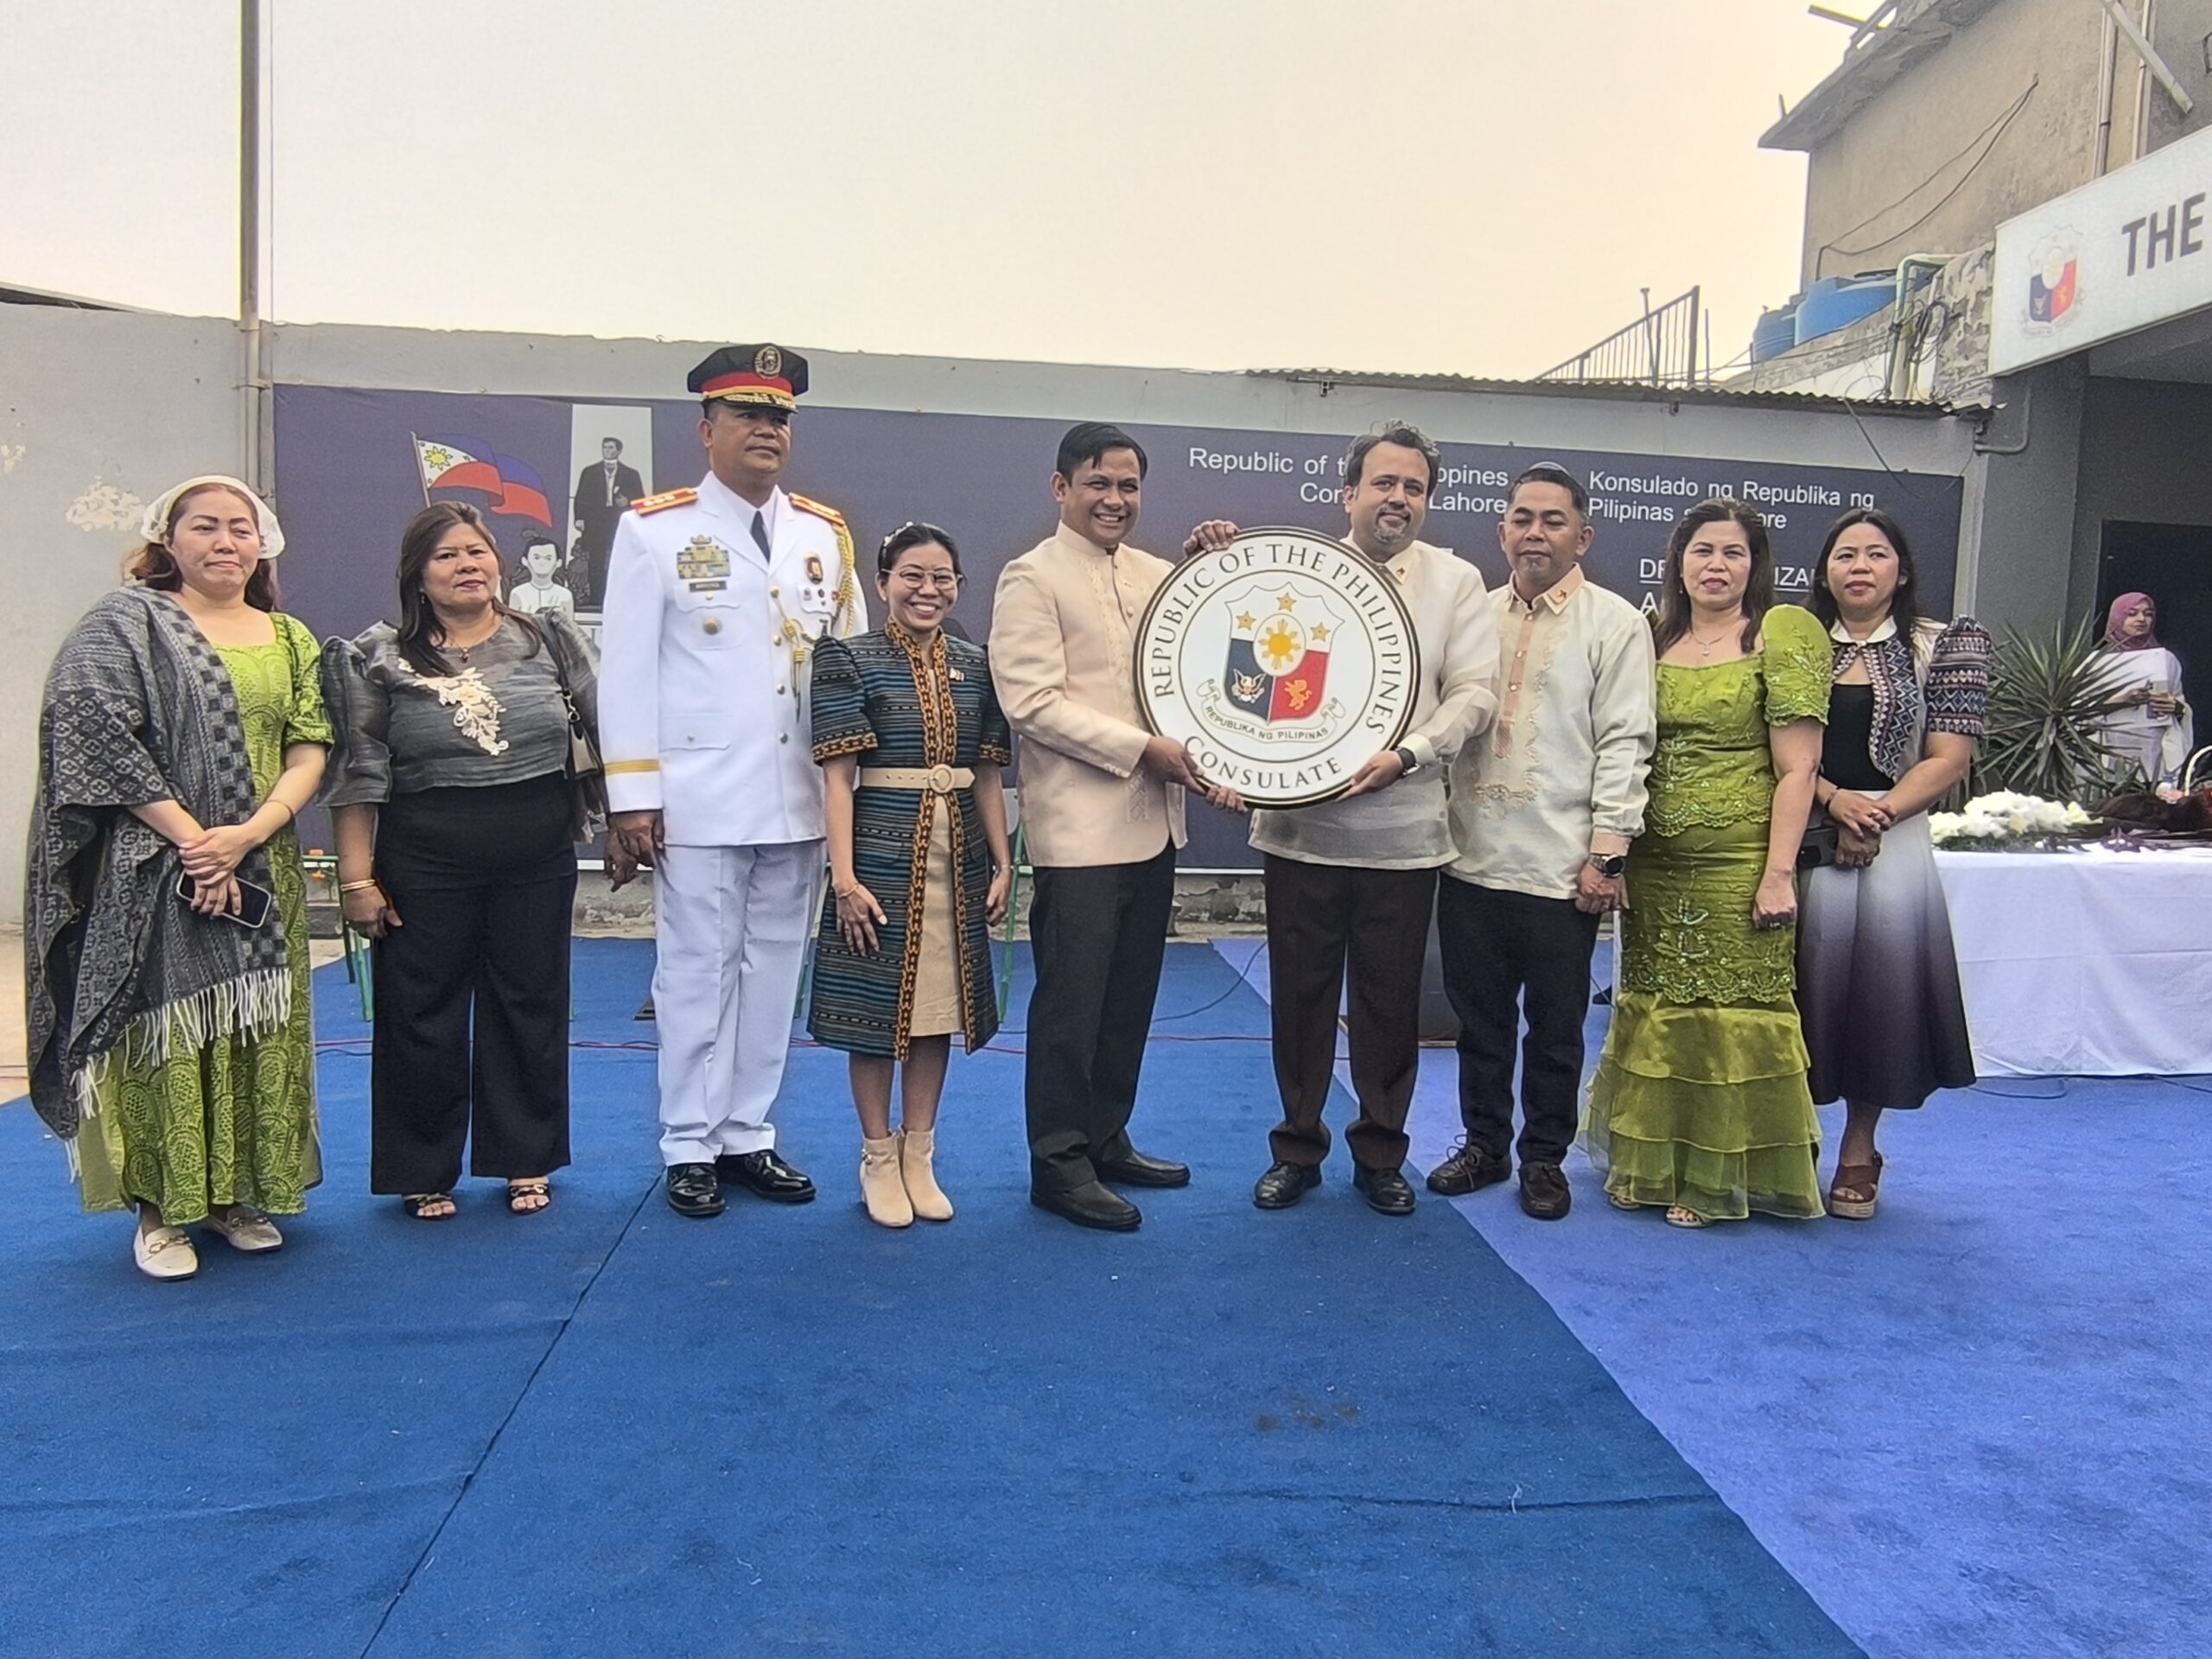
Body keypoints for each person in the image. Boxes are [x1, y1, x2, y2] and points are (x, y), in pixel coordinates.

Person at [1185, 421, 1500, 1217]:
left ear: (1427, 502)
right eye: (1384, 482)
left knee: (1389, 1008)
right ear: (1348, 493)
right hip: (1301, 837)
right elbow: (1216, 651)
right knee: (1301, 1003)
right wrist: (1211, 564)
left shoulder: (1457, 582)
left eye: (1414, 488)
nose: (1398, 498)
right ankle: (1296, 1149)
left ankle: (1381, 1154)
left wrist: (1411, 754)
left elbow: (1475, 694)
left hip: (1404, 837)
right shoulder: (1293, 572)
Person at [25, 476, 330, 1281]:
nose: (225, 542)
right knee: (164, 1035)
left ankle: (234, 1195)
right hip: (158, 870)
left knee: (254, 1030)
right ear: (168, 538)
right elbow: (93, 739)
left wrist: (250, 834)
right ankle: (160, 1214)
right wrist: (198, 844)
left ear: (262, 543)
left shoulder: (290, 636)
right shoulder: (124, 625)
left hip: (264, 870)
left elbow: (310, 746)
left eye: (240, 528)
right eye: (205, 527)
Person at [600, 344, 866, 1219]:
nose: (766, 430)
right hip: (700, 793)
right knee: (695, 971)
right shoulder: (655, 529)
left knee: (774, 969)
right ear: (705, 429)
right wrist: (634, 797)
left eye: (779, 417)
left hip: (799, 792)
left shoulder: (822, 534)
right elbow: (626, 671)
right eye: (747, 414)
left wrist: (851, 785)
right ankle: (688, 1140)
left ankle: (747, 1131)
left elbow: (849, 667)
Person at [323, 503, 601, 1220]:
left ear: (498, 563)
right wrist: (356, 880)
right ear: (417, 576)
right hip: (424, 855)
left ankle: (526, 1158)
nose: (466, 565)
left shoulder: (548, 637)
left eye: (477, 551)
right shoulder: (375, 655)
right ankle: (423, 1168)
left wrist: (632, 820)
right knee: (421, 1012)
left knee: (530, 1003)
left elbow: (609, 726)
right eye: (446, 556)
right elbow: (356, 772)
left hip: (536, 852)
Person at [991, 421, 1230, 1232]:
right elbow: (1032, 703)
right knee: (1072, 1007)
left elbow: (1202, 659)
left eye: (1129, 486)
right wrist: (1143, 751)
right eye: (1098, 483)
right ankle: (1058, 1163)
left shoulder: (1159, 575)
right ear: (1061, 488)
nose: (1115, 499)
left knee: (1128, 1001)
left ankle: (1105, 1138)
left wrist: (1213, 563)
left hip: (1155, 827)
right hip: (1080, 834)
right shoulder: (1032, 577)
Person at [1579, 499, 1828, 1229]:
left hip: (1741, 863)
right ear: (1678, 562)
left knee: (1732, 1019)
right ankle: (1650, 1165)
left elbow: (1800, 767)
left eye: (1733, 552)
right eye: (1702, 551)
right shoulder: (1648, 635)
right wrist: (1616, 856)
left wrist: (1778, 873)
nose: (1716, 566)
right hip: (1654, 863)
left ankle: (1719, 1182)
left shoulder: (1782, 633)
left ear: (1756, 566)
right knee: (1659, 1012)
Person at [1429, 463, 1656, 1220]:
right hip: (1470, 859)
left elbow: (1625, 741)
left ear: (1582, 537)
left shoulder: (1614, 623)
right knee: (1479, 1026)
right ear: (1501, 533)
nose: (1536, 533)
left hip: (1563, 870)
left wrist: (1607, 855)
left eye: (1553, 521)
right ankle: (1485, 1146)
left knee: (1556, 1032)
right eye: (1522, 519)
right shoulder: (1473, 618)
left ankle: (1544, 1160)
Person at [807, 524, 1014, 1227]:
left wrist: (1003, 861)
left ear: (958, 586)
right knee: (874, 1015)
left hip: (959, 856)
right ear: (883, 582)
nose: (929, 590)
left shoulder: (977, 663)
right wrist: (844, 879)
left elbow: (988, 773)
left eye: (943, 578)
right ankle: (876, 1155)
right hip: (878, 854)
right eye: (913, 576)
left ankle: (919, 1153)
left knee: (937, 1011)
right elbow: (838, 779)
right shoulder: (847, 657)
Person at [1797, 509, 1989, 1219]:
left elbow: (1949, 758)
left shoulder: (1944, 644)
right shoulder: (1794, 643)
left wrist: (1875, 817)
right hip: (1804, 826)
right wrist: (1833, 802)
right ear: (1824, 573)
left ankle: (1859, 1147)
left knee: (1878, 996)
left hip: (1896, 836)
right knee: (1795, 992)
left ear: (1901, 572)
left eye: (1876, 554)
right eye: (1844, 555)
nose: (1859, 567)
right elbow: (1771, 746)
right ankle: (1792, 1139)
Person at [2096, 592, 2192, 785]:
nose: (2142, 619)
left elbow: (2180, 704)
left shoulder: (2167, 660)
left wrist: (2177, 708)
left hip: (2154, 752)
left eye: (2148, 614)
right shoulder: (2097, 663)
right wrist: (2122, 700)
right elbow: (2079, 713)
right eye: (2132, 613)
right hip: (2111, 751)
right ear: (2117, 617)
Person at [570, 436, 645, 609]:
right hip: (596, 522)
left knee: (619, 558)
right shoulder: (590, 472)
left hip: (619, 522)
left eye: (611, 448)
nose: (607, 451)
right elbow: (581, 497)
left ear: (619, 451)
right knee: (595, 560)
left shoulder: (631, 474)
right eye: (605, 447)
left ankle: (618, 597)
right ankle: (596, 598)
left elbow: (641, 499)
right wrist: (580, 518)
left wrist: (627, 501)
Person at [508, 531, 577, 620]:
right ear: (525, 561)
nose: (542, 563)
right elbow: (513, 624)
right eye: (536, 558)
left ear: (558, 562)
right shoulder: (517, 593)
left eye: (548, 558)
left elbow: (569, 626)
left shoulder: (565, 595)